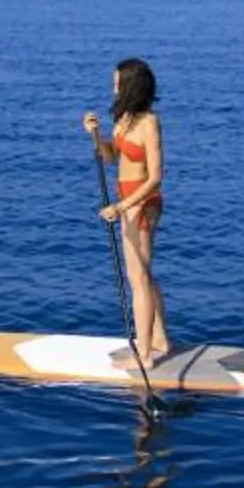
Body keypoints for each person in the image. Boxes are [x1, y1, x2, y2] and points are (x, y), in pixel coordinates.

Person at [82, 57, 168, 372]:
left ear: (130, 85)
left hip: (142, 202)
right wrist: (95, 135)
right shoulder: (124, 120)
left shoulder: (149, 123)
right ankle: (160, 339)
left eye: (117, 82)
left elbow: (155, 176)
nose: (113, 87)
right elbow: (110, 157)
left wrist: (122, 207)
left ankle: (145, 355)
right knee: (143, 273)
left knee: (138, 278)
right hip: (126, 200)